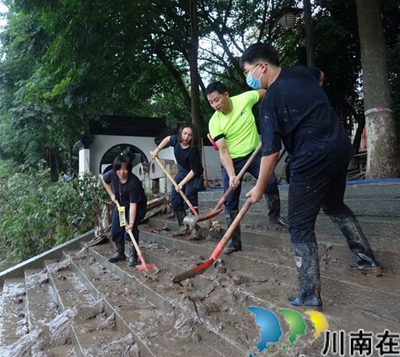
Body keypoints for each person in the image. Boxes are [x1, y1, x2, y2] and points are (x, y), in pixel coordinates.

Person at [241, 42, 382, 309]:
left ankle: (309, 294)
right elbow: (320, 76)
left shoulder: (270, 100)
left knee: (299, 225)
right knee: (333, 204)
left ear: (262, 67)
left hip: (311, 158)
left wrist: (259, 188)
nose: (249, 79)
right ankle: (366, 259)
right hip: (339, 147)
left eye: (249, 72)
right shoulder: (301, 73)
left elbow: (270, 154)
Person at [206, 81, 288, 255]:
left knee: (271, 181)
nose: (215, 105)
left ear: (226, 94)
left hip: (254, 155)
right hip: (232, 161)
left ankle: (274, 216)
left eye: (217, 100)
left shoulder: (245, 99)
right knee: (230, 202)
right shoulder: (214, 123)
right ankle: (234, 242)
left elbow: (264, 92)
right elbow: (223, 152)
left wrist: (270, 114)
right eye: (211, 102)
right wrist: (231, 175)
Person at [150, 123, 205, 239]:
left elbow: (194, 171)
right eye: (185, 134)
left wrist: (181, 183)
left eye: (190, 135)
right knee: (175, 200)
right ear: (180, 133)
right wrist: (157, 150)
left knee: (190, 196)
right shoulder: (175, 140)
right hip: (182, 171)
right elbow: (167, 139)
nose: (186, 137)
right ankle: (184, 227)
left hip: (194, 175)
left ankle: (196, 230)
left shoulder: (193, 150)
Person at [102, 154, 148, 267]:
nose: (122, 172)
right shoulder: (112, 174)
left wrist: (131, 223)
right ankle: (120, 253)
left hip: (136, 205)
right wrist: (112, 195)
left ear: (129, 168)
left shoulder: (134, 183)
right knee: (116, 229)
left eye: (125, 168)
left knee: (130, 231)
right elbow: (104, 180)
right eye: (119, 168)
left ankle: (133, 256)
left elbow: (133, 205)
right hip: (121, 206)